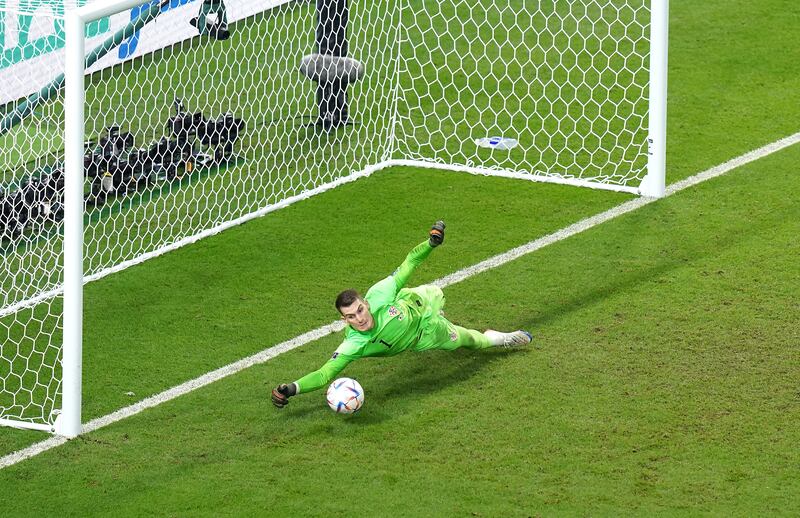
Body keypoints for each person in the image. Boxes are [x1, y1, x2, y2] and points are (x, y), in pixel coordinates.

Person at [271, 221, 532, 408]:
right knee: (469, 342)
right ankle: (498, 338)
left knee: (453, 325)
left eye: (360, 309)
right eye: (351, 316)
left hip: (418, 304)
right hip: (424, 336)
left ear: (366, 303)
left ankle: (494, 337)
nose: (359, 318)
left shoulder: (381, 293)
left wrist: (431, 243)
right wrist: (291, 388)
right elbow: (324, 374)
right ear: (344, 320)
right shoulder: (354, 344)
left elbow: (410, 263)